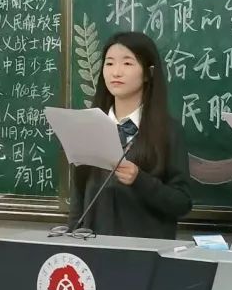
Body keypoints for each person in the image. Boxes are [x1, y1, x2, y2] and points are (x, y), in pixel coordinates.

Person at [68, 31, 193, 239]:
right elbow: (78, 198)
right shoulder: (89, 128)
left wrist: (139, 180)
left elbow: (182, 203)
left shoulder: (168, 131)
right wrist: (71, 242)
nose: (116, 72)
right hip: (92, 249)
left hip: (144, 252)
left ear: (148, 73)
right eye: (109, 63)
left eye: (127, 63)